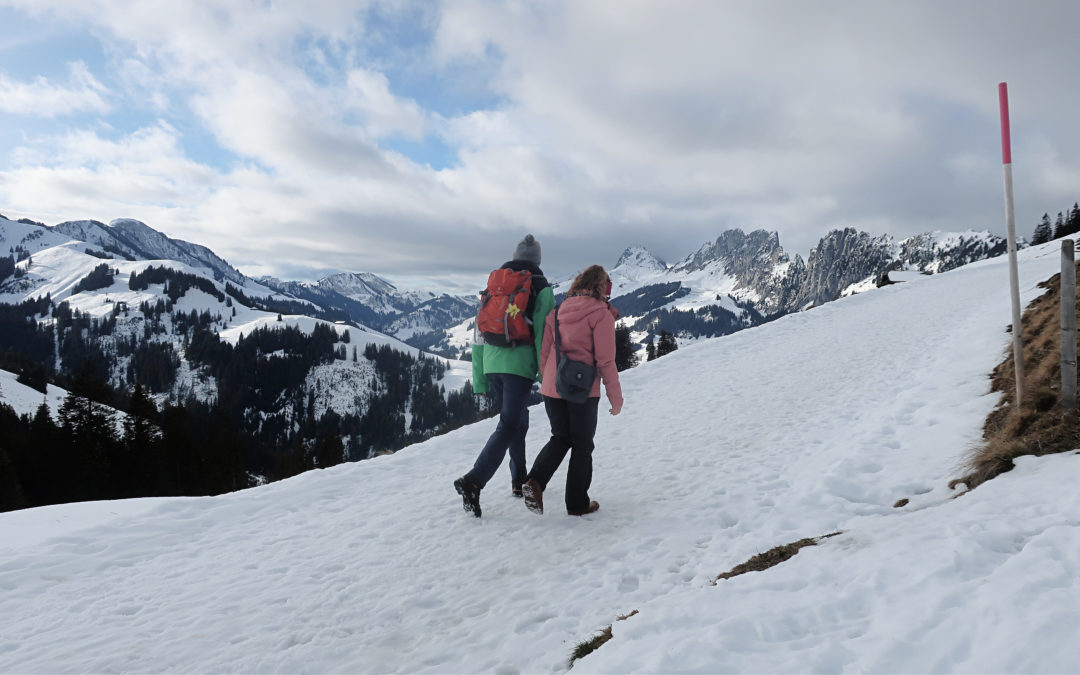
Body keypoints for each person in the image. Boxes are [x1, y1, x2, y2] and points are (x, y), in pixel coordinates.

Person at [454, 234, 555, 518]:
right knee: (510, 424)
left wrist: (480, 377)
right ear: (538, 260)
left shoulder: (496, 285)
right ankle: (474, 480)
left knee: (518, 421)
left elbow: (478, 333)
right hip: (517, 368)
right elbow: (543, 338)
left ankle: (518, 480)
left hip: (491, 363)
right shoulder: (541, 289)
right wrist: (545, 372)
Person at [522, 264, 622, 516]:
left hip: (552, 387)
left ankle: (534, 481)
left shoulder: (557, 311)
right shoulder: (601, 315)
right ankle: (577, 503)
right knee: (582, 444)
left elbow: (544, 352)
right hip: (583, 389)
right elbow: (606, 361)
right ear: (602, 287)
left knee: (560, 437)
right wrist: (615, 397)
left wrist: (550, 381)